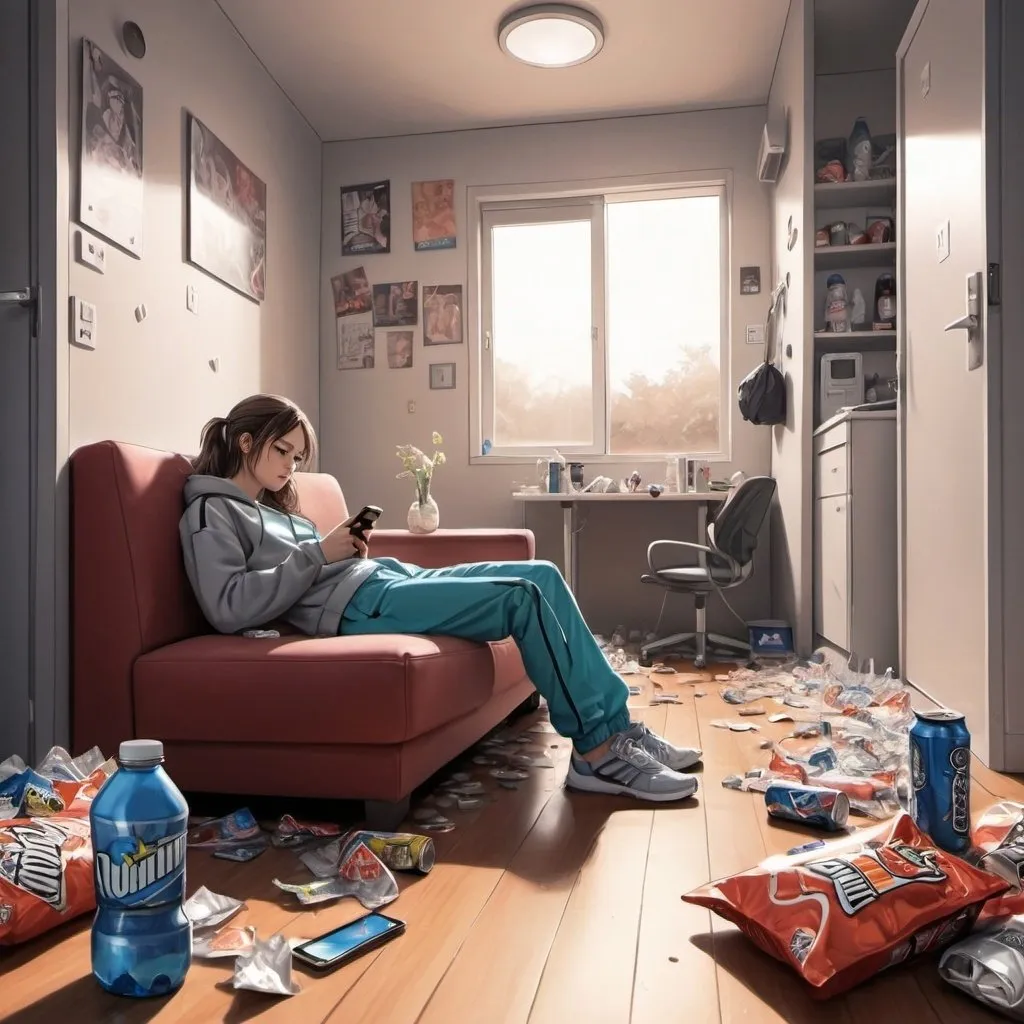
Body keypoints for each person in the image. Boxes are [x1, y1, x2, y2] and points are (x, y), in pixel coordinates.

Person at [179, 395, 702, 804]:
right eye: (282, 451)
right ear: (246, 442)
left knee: (541, 571)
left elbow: (303, 569)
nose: (291, 466)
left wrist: (340, 549)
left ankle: (617, 727)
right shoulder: (210, 512)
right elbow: (229, 606)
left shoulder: (273, 508)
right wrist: (319, 553)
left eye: (297, 456)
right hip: (358, 606)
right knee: (521, 596)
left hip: (379, 579)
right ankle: (598, 754)